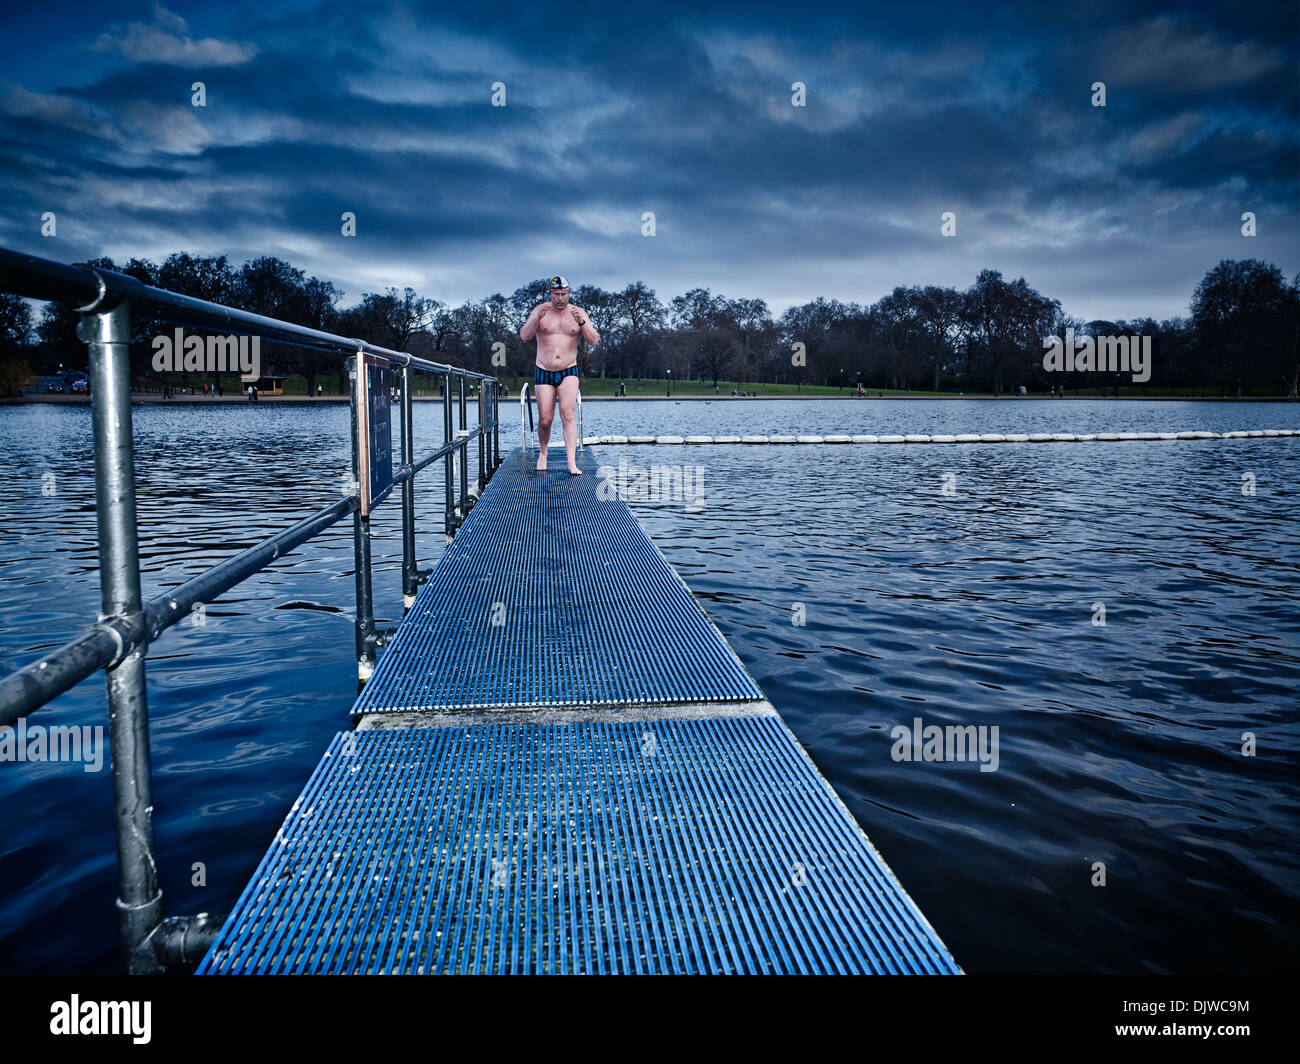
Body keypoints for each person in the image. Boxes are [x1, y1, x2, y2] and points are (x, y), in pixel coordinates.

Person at [518, 275, 599, 474]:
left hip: (569, 370)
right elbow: (524, 335)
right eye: (556, 295)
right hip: (543, 370)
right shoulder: (540, 311)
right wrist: (536, 319)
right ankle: (543, 453)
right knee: (545, 419)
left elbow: (593, 340)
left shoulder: (578, 312)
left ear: (569, 294)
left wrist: (582, 323)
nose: (560, 299)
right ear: (550, 294)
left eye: (563, 294)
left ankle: (571, 462)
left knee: (568, 415)